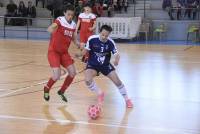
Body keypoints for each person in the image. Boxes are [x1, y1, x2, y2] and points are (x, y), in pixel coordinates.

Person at [83, 25, 133, 108]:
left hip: (105, 65)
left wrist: (116, 60)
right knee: (87, 80)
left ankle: (127, 99)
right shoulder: (92, 39)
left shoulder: (110, 42)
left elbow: (117, 54)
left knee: (117, 81)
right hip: (93, 65)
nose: (104, 37)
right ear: (99, 32)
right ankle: (100, 93)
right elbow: (85, 50)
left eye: (106, 36)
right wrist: (80, 54)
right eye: (103, 34)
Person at [43, 5, 79, 102]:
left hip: (64, 53)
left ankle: (62, 91)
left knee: (72, 73)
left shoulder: (74, 25)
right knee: (57, 75)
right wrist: (51, 28)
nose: (70, 16)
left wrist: (79, 44)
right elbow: (53, 26)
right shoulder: (60, 20)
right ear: (64, 13)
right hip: (54, 52)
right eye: (68, 14)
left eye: (72, 15)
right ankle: (46, 88)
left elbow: (74, 38)